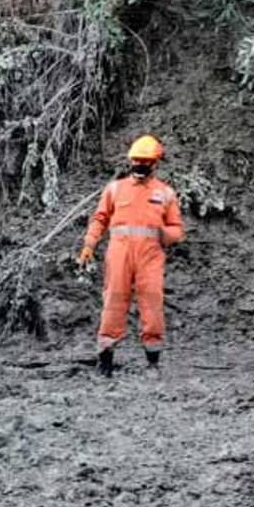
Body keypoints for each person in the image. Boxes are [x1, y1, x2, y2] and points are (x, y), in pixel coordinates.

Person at [77, 135, 184, 376]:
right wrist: (89, 245)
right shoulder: (115, 189)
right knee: (113, 302)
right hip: (119, 255)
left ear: (155, 164)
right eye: (136, 160)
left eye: (144, 161)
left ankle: (153, 364)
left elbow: (177, 229)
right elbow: (100, 219)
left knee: (152, 304)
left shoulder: (165, 193)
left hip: (150, 257)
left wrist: (163, 234)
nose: (139, 165)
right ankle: (105, 363)